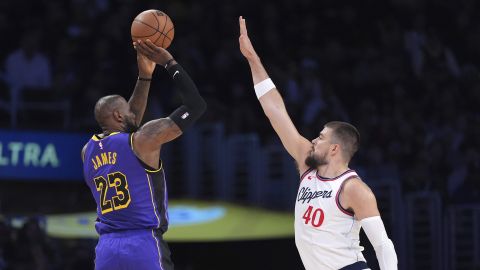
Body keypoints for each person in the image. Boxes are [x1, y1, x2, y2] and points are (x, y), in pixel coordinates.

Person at [238, 16, 398, 270]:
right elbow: (274, 110)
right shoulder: (307, 163)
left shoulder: (355, 189)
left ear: (335, 148)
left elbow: (382, 246)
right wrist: (252, 58)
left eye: (321, 137)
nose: (313, 140)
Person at [81, 40, 206, 270]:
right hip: (142, 245)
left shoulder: (87, 150)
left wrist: (144, 76)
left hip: (106, 251)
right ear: (119, 116)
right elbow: (195, 105)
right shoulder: (143, 140)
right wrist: (169, 63)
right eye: (128, 110)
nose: (134, 112)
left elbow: (128, 124)